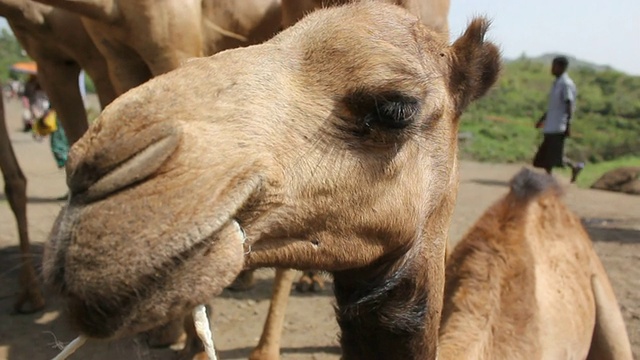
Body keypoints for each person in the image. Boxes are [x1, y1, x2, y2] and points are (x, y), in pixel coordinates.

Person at [532, 56, 584, 183]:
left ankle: (552, 177)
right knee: (544, 157)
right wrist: (542, 119)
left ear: (561, 67)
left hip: (558, 126)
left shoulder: (566, 84)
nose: (552, 69)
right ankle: (573, 167)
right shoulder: (557, 83)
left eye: (554, 66)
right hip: (551, 125)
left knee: (552, 157)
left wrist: (568, 125)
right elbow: (553, 106)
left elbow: (569, 104)